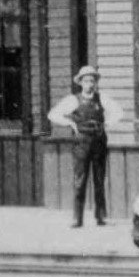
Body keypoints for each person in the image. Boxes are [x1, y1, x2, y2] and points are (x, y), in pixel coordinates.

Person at [46, 65, 110, 228]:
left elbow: (117, 113)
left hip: (99, 141)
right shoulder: (73, 100)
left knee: (99, 180)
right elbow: (52, 114)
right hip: (81, 142)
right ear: (80, 83)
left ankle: (100, 216)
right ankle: (77, 218)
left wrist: (105, 124)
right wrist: (70, 123)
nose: (90, 84)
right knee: (80, 180)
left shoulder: (102, 99)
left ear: (96, 83)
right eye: (86, 80)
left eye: (92, 80)